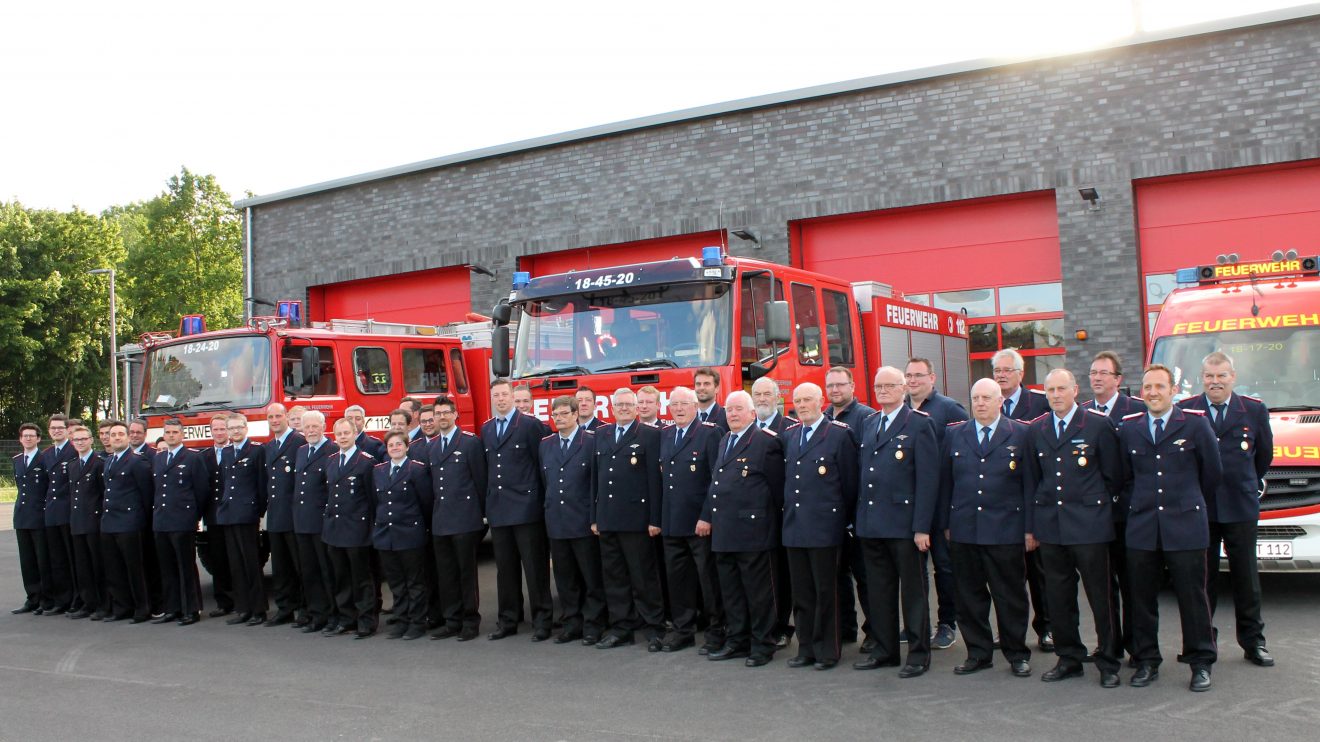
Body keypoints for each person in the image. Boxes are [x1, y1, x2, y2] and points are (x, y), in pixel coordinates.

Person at [1120, 364, 1221, 692]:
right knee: (1142, 598)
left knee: (1193, 598)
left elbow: (1212, 474)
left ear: (1173, 390)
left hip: (1186, 525)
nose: (1152, 393)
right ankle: (1147, 660)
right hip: (1143, 527)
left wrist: (1186, 505)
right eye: (1146, 387)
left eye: (1159, 387)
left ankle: (1200, 661)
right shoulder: (1130, 428)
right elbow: (1124, 476)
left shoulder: (1194, 425)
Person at [1023, 369, 1123, 687]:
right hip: (1052, 527)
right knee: (1058, 596)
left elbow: (1114, 476)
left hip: (1090, 527)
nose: (1055, 395)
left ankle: (1108, 659)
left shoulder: (1097, 425)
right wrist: (1032, 527)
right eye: (1050, 390)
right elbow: (1031, 481)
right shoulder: (1036, 429)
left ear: (1075, 390)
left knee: (1101, 596)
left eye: (1061, 389)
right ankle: (1069, 657)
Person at [1176, 351, 1274, 668]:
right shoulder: (1186, 409)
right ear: (1201, 378)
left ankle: (1253, 643)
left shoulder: (1254, 410)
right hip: (1201, 508)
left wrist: (1245, 482)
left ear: (1233, 376)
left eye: (1221, 376)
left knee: (1246, 579)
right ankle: (1206, 642)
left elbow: (1264, 457)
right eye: (1208, 376)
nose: (1214, 382)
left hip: (1240, 506)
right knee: (1204, 581)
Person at [938, 378, 1034, 678]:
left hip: (1005, 530)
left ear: (1000, 401)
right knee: (969, 597)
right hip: (965, 530)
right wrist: (946, 524)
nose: (980, 403)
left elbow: (1030, 485)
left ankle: (1017, 653)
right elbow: (945, 484)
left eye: (986, 398)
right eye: (975, 398)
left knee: (1010, 596)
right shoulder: (954, 434)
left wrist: (1030, 529)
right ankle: (978, 653)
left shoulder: (1021, 433)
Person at [853, 367, 939, 677]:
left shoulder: (918, 425)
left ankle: (918, 654)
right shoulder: (869, 423)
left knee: (913, 594)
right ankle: (885, 650)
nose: (883, 390)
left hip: (905, 527)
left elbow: (928, 480)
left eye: (890, 385)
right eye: (878, 386)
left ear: (903, 388)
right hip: (872, 524)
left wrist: (922, 527)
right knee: (879, 592)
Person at [696, 390, 785, 667]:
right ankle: (737, 640)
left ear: (752, 413)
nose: (732, 414)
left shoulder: (765, 442)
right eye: (729, 410)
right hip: (725, 531)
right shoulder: (725, 440)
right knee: (732, 593)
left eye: (738, 409)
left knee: (759, 594)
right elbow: (717, 484)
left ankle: (762, 644)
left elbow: (777, 491)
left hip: (754, 533)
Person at [782, 383, 857, 671]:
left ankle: (828, 649)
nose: (801, 405)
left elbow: (849, 485)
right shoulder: (790, 436)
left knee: (827, 591)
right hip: (795, 527)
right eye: (797, 401)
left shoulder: (838, 435)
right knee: (802, 593)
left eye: (807, 400)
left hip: (826, 527)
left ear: (820, 402)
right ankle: (807, 647)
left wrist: (842, 522)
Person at [1081, 350, 1146, 661]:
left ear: (1118, 379)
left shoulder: (1138, 410)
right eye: (1093, 372)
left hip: (1128, 515)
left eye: (1103, 373)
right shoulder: (1081, 413)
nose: (1096, 378)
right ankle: (1109, 644)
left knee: (1133, 583)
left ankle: (1136, 645)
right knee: (1102, 586)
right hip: (1094, 517)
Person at [591, 387, 665, 651]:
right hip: (608, 518)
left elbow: (654, 482)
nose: (623, 409)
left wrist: (655, 519)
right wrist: (594, 517)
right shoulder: (601, 434)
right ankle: (622, 627)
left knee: (643, 577)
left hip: (637, 519)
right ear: (611, 408)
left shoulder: (649, 435)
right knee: (615, 578)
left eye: (628, 405)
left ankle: (654, 628)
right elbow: (595, 479)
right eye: (618, 405)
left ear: (636, 408)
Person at [904, 357, 968, 651]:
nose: (913, 381)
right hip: (911, 506)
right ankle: (917, 624)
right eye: (909, 376)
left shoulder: (949, 409)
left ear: (932, 378)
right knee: (913, 571)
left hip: (942, 504)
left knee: (944, 567)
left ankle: (947, 623)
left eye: (919, 375)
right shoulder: (901, 409)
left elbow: (965, 455)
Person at [482, 379, 554, 640]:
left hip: (526, 507)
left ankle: (543, 621)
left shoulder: (530, 425)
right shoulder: (487, 428)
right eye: (496, 395)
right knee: (506, 569)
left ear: (513, 396)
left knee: (534, 568)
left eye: (504, 394)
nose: (500, 399)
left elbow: (541, 465)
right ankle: (508, 620)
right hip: (499, 508)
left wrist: (541, 502)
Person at [991, 348, 1052, 651]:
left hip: (1032, 501)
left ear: (1020, 373)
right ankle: (1009, 631)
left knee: (1038, 573)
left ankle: (1047, 627)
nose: (1000, 375)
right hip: (1001, 508)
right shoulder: (988, 403)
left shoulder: (1040, 404)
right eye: (997, 371)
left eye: (1006, 370)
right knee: (1006, 579)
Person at [658, 386, 725, 654]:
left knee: (709, 582)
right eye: (674, 404)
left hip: (699, 524)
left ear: (695, 406)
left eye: (684, 404)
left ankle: (716, 631)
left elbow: (715, 479)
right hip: (673, 523)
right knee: (678, 581)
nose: (679, 409)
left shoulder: (709, 433)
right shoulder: (666, 435)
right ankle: (683, 631)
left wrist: (707, 516)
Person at [539, 395, 607, 645]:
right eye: (555, 415)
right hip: (557, 522)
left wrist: (594, 518)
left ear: (576, 414)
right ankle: (572, 623)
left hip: (583, 521)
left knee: (591, 578)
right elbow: (545, 482)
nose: (559, 418)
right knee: (565, 579)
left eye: (564, 414)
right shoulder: (546, 445)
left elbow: (596, 484)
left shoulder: (590, 441)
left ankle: (594, 625)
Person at [822, 365, 877, 650]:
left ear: (852, 386)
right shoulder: (824, 418)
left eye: (840, 385)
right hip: (833, 515)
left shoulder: (866, 417)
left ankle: (874, 633)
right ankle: (846, 629)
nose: (835, 390)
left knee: (865, 577)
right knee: (838, 575)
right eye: (830, 386)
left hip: (858, 513)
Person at [428, 395, 488, 641]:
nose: (442, 417)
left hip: (465, 518)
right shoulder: (431, 445)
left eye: (446, 412)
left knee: (465, 573)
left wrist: (483, 516)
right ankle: (452, 620)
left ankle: (470, 621)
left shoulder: (469, 443)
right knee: (447, 574)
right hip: (441, 519)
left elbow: (480, 480)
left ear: (455, 415)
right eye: (438, 413)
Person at [372, 431, 433, 640]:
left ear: (407, 447)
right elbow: (376, 502)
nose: (395, 448)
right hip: (386, 534)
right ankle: (401, 620)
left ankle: (417, 622)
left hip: (409, 533)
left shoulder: (416, 469)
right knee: (396, 583)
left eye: (399, 444)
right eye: (391, 445)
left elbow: (425, 501)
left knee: (414, 582)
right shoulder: (379, 471)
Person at [323, 418, 380, 639]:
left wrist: (371, 528)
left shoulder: (366, 462)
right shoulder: (330, 461)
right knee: (341, 578)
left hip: (357, 529)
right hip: (335, 529)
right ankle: (347, 619)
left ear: (355, 434)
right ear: (334, 436)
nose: (343, 437)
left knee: (361, 578)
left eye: (347, 432)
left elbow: (372, 498)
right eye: (339, 433)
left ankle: (366, 621)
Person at [151, 418, 210, 625]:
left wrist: (193, 516)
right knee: (166, 568)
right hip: (161, 520)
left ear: (182, 434)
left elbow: (202, 490)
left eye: (175, 432)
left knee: (186, 567)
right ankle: (172, 609)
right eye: (168, 432)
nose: (171, 435)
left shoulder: (193, 458)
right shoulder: (158, 459)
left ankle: (191, 609)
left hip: (182, 520)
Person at [99, 421, 154, 623]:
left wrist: (141, 521)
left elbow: (146, 494)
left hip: (130, 522)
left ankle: (142, 608)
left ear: (128, 437)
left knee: (135, 569)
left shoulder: (137, 462)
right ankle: (122, 607)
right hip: (110, 521)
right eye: (113, 435)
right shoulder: (108, 461)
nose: (116, 438)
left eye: (121, 434)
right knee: (114, 569)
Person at [218, 415, 268, 626]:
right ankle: (243, 608)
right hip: (229, 513)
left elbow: (262, 484)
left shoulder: (257, 450)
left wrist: (258, 510)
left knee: (250, 563)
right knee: (236, 564)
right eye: (231, 428)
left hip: (247, 514)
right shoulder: (227, 452)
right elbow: (224, 482)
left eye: (239, 427)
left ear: (246, 428)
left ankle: (258, 610)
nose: (235, 431)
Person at [263, 403, 307, 626]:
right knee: (280, 567)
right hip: (275, 515)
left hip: (294, 515)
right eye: (270, 417)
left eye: (278, 415)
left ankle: (306, 609)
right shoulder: (269, 446)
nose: (274, 420)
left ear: (287, 417)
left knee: (300, 565)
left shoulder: (298, 442)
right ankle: (285, 608)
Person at [292, 410, 335, 633]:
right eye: (306, 427)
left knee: (326, 571)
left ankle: (331, 615)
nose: (310, 431)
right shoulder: (301, 451)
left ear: (323, 426)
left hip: (321, 522)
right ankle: (316, 614)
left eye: (314, 427)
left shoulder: (332, 450)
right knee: (308, 571)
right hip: (302, 521)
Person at [65, 425, 106, 620]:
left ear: (91, 440)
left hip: (94, 521)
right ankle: (88, 603)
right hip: (77, 522)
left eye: (83, 439)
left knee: (98, 565)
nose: (80, 442)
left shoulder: (99, 463)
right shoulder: (72, 465)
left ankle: (102, 604)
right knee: (82, 567)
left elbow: (103, 493)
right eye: (76, 440)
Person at [40, 414, 78, 614]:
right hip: (52, 512)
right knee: (57, 559)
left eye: (60, 428)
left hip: (68, 511)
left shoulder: (73, 451)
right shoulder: (46, 454)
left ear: (67, 430)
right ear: (49, 431)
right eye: (53, 428)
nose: (56, 431)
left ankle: (75, 598)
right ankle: (61, 599)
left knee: (72, 559)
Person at [11, 423, 50, 614]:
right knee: (27, 561)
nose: (28, 438)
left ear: (38, 439)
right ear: (20, 439)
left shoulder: (44, 460)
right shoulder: (17, 460)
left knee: (42, 559)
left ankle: (45, 598)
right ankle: (32, 598)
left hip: (39, 515)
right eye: (25, 436)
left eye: (31, 436)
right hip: (22, 515)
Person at [201, 414, 236, 617]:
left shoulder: (237, 452)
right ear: (211, 431)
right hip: (213, 515)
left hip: (234, 514)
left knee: (237, 559)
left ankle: (241, 599)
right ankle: (223, 602)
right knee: (218, 560)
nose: (220, 432)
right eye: (216, 429)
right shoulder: (204, 456)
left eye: (223, 429)